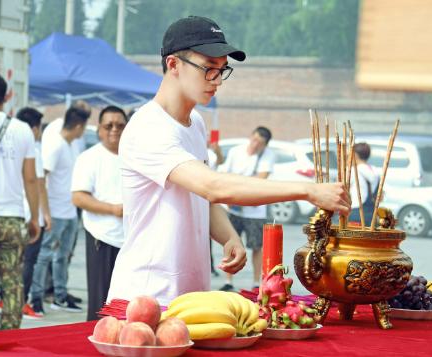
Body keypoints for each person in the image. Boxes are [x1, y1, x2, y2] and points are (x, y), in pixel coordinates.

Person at [107, 16, 350, 307]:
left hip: (190, 295)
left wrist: (229, 237)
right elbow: (213, 186)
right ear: (173, 65)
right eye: (208, 69)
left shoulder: (195, 123)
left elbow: (202, 197)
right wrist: (308, 190)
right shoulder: (148, 127)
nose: (218, 81)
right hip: (146, 296)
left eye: (222, 70)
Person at [0, 72, 40, 330]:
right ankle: (7, 339)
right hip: (13, 217)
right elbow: (31, 179)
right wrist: (35, 218)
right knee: (12, 283)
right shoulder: (22, 130)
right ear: (7, 96)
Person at [0, 107, 52, 320]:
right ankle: (12, 323)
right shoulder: (27, 139)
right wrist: (39, 216)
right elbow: (34, 181)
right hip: (17, 216)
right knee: (17, 273)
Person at [30, 106, 89, 314]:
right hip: (55, 211)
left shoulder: (71, 144)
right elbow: (41, 179)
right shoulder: (55, 146)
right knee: (44, 255)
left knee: (63, 255)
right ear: (79, 126)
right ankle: (35, 297)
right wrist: (44, 212)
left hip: (70, 210)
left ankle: (60, 295)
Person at [71, 106, 127, 320]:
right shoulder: (89, 158)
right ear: (99, 130)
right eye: (109, 125)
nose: (115, 130)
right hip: (102, 237)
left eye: (120, 125)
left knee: (127, 303)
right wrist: (113, 209)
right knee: (100, 304)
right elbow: (78, 197)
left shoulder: (137, 157)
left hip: (132, 241)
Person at [219, 126, 275, 291]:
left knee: (256, 246)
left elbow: (261, 179)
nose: (255, 144)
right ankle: (228, 280)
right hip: (233, 207)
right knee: (230, 243)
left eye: (260, 142)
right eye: (254, 139)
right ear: (250, 136)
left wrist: (236, 183)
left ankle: (256, 283)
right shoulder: (236, 151)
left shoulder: (268, 155)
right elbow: (224, 173)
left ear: (265, 145)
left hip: (255, 210)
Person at [349, 142, 380, 224]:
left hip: (356, 212)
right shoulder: (375, 170)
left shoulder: (353, 171)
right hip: (371, 213)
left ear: (355, 155)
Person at [207, 139, 224, 277]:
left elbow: (220, 161)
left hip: (208, 201)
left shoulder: (210, 154)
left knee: (208, 240)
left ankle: (210, 266)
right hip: (205, 196)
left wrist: (217, 150)